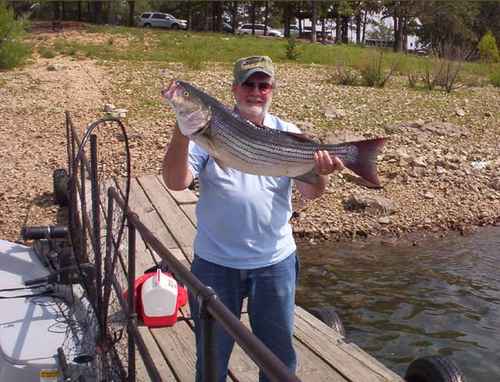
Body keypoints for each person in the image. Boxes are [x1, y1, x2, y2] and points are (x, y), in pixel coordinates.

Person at [162, 56, 343, 382]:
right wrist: (180, 132)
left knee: (277, 359)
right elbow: (176, 182)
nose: (256, 91)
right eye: (248, 84)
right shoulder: (208, 129)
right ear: (234, 89)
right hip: (215, 263)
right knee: (211, 357)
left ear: (272, 90)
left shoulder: (288, 132)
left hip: (274, 263)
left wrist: (321, 173)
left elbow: (312, 192)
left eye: (263, 85)